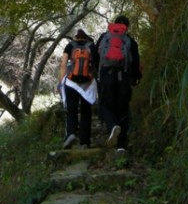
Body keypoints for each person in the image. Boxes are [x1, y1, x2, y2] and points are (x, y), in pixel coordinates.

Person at [96, 15, 141, 152]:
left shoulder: (104, 37)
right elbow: (136, 63)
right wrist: (135, 78)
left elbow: (95, 56)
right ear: (127, 27)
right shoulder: (130, 41)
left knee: (105, 105)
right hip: (124, 79)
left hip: (106, 77)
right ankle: (121, 146)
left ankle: (112, 126)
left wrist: (98, 75)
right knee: (123, 109)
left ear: (115, 24)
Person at [57, 28, 98, 150]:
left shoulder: (70, 46)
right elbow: (96, 64)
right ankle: (85, 142)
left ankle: (71, 133)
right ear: (86, 37)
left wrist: (61, 81)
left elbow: (63, 64)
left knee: (72, 110)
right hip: (87, 83)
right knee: (86, 111)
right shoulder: (92, 46)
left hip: (71, 82)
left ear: (76, 37)